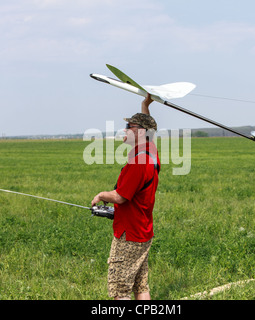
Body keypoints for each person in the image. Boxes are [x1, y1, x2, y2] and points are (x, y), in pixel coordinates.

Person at [91, 94, 160, 300]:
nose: (125, 129)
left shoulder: (138, 163)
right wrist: (145, 105)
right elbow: (150, 130)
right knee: (140, 284)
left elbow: (120, 197)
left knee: (120, 290)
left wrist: (101, 195)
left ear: (139, 132)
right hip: (143, 231)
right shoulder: (150, 152)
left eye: (130, 125)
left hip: (128, 235)